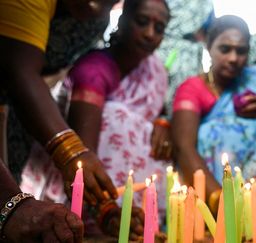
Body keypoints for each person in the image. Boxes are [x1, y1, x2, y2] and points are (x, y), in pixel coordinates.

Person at [21, 0, 171, 239]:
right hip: (90, 200)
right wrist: (106, 212)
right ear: (121, 21)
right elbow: (81, 159)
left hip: (127, 203)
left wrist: (163, 122)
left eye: (159, 28)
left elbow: (150, 112)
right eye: (142, 22)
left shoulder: (155, 71)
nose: (150, 34)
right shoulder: (94, 70)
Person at [0, 0, 119, 207]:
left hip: (25, 111)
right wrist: (70, 151)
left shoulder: (95, 21)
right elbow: (20, 70)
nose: (95, 7)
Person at [171, 15, 256, 211]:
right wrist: (221, 200)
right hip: (212, 192)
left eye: (241, 51)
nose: (234, 59)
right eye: (225, 49)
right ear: (209, 48)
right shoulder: (193, 88)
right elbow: (184, 147)